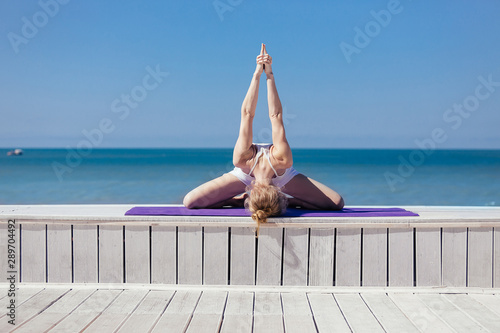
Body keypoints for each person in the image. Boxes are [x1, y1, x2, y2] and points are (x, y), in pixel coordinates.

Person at [183, 44, 344, 232]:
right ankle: (290, 202)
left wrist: (257, 74)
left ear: (249, 191)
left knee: (190, 202)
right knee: (336, 202)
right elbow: (275, 116)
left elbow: (246, 114)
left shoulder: (242, 159)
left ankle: (238, 201)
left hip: (246, 174)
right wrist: (269, 75)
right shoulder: (282, 160)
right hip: (283, 178)